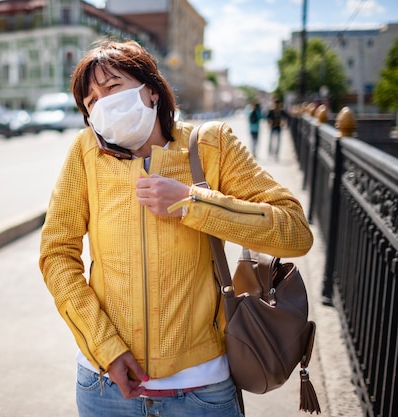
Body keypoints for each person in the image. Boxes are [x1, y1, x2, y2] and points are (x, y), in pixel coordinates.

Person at [39, 39, 313, 417]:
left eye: (113, 87)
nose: (103, 104)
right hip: (104, 389)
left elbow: (295, 230)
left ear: (151, 91)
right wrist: (104, 346)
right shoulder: (85, 153)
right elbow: (56, 255)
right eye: (91, 101)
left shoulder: (213, 145)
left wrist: (193, 203)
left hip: (202, 391)